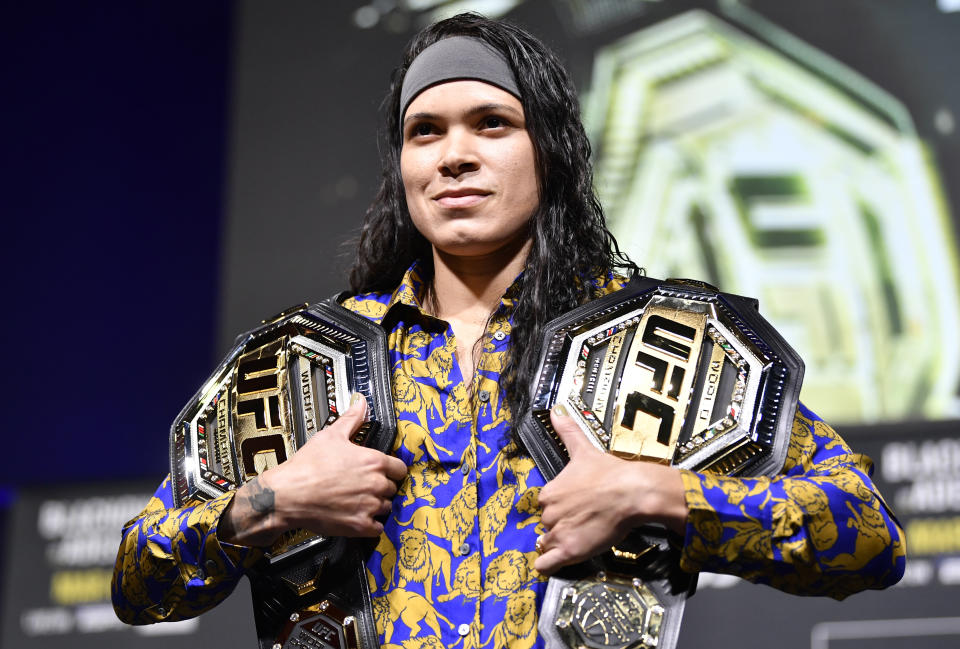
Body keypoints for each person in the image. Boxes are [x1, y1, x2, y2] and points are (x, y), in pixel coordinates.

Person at [112, 12, 906, 648]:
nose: (453, 155)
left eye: (491, 123)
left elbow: (868, 537)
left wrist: (653, 491)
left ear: (550, 152)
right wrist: (272, 501)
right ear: (402, 166)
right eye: (426, 131)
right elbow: (137, 582)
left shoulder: (661, 341)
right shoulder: (300, 363)